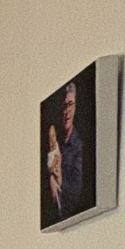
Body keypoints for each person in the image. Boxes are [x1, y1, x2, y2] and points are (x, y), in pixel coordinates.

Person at [45, 81, 88, 223]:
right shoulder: (57, 141)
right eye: (64, 106)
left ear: (76, 107)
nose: (66, 111)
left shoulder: (78, 145)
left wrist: (60, 179)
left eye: (70, 104)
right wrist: (51, 179)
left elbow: (78, 192)